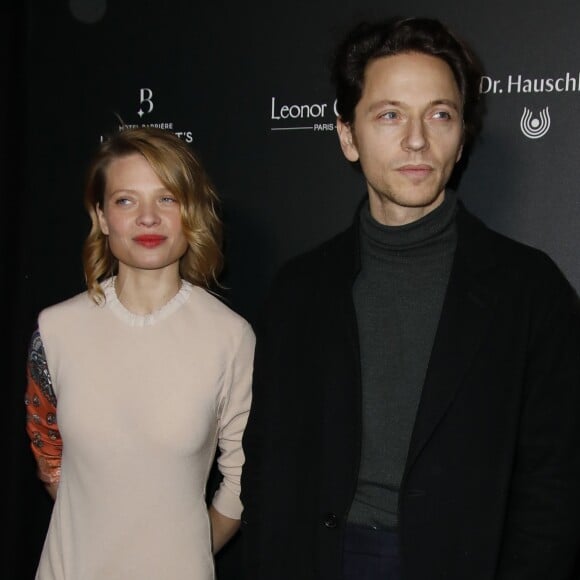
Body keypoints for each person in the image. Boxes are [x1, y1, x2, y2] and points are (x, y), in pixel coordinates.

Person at [240, 16, 580, 580]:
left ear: (463, 133)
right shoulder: (299, 290)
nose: (417, 139)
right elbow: (269, 467)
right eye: (390, 114)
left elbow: (556, 481)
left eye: (440, 114)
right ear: (348, 135)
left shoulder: (529, 290)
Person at [24, 126, 255, 580]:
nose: (148, 218)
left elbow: (241, 481)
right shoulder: (55, 329)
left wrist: (183, 554)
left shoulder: (229, 337)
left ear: (190, 212)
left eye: (167, 199)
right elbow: (49, 456)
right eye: (126, 200)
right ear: (103, 216)